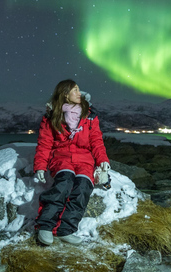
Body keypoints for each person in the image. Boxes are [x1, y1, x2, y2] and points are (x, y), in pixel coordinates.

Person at [33, 79, 110, 246]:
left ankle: (65, 230)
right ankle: (45, 226)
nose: (79, 93)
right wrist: (40, 166)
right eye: (75, 90)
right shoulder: (52, 115)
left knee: (82, 188)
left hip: (85, 159)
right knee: (63, 184)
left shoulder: (89, 115)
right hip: (62, 157)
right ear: (65, 94)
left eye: (79, 90)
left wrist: (103, 160)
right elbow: (45, 143)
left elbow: (96, 140)